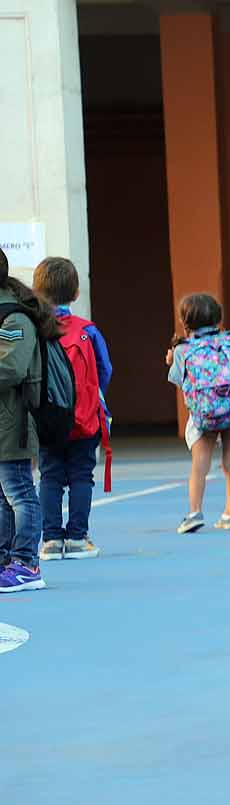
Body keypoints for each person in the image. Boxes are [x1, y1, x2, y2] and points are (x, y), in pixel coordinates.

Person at [32, 257, 110, 561]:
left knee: (49, 476)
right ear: (76, 293)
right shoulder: (87, 331)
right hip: (84, 418)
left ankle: (50, 539)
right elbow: (105, 370)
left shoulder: (36, 329)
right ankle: (78, 537)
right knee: (81, 475)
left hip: (48, 418)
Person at [167, 293, 230, 533]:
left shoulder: (184, 349)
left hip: (206, 413)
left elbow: (178, 379)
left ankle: (195, 512)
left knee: (200, 463)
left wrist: (172, 359)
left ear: (186, 322)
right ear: (218, 318)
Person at [0, 252, 50, 595]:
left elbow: (12, 368)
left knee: (19, 491)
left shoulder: (14, 318)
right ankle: (7, 561)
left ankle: (26, 563)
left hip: (12, 422)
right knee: (2, 496)